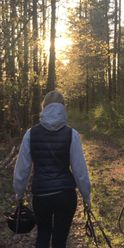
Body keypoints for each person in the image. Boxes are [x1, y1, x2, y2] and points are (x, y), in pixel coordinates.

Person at [13, 90, 91, 248]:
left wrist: (19, 193)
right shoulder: (72, 134)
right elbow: (79, 170)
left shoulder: (31, 134)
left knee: (42, 235)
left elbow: (22, 169)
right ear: (63, 108)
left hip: (41, 196)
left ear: (44, 107)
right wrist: (86, 195)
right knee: (60, 240)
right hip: (66, 196)